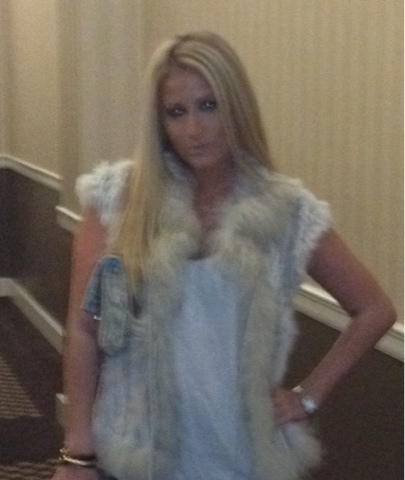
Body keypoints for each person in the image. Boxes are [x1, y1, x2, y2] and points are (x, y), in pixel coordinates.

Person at [52, 31, 396, 480]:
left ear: (236, 105)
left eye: (209, 105)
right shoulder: (118, 198)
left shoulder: (285, 211)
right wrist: (78, 454)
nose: (194, 130)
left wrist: (307, 397)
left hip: (240, 457)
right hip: (136, 451)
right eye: (177, 112)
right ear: (159, 122)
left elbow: (374, 310)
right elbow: (83, 329)